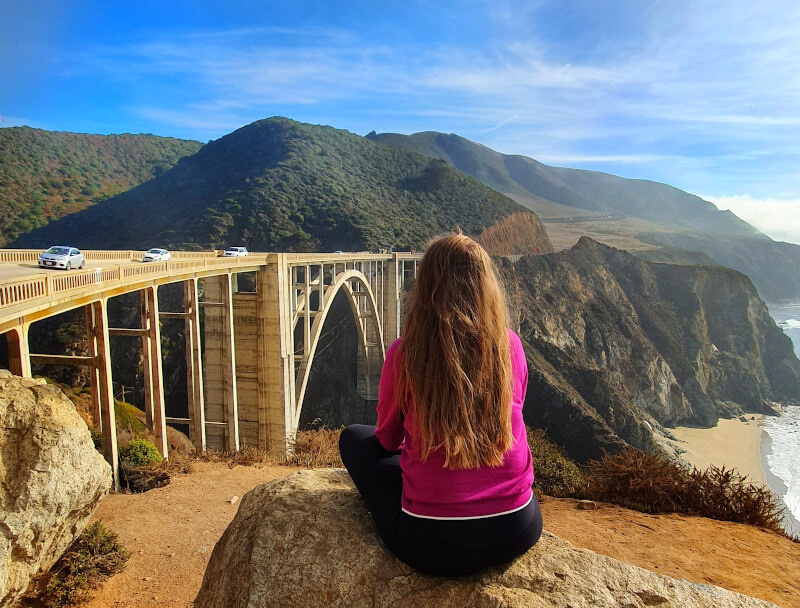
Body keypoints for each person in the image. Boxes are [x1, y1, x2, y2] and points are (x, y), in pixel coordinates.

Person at [339, 232, 542, 577]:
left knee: (354, 439)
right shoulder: (510, 346)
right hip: (517, 527)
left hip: (433, 542)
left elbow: (387, 439)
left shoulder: (405, 354)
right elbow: (514, 416)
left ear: (425, 287)